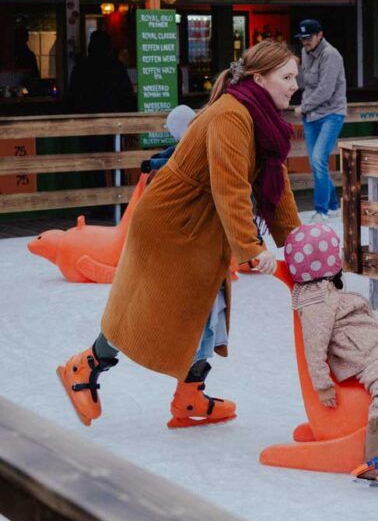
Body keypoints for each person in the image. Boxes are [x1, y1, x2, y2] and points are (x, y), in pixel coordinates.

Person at [57, 40, 301, 429]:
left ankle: (190, 398)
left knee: (208, 309)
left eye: (295, 78)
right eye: (287, 77)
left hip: (202, 223)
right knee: (152, 310)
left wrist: (297, 244)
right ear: (259, 77)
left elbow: (278, 185)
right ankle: (83, 367)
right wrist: (251, 249)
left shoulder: (261, 119)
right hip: (173, 222)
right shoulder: (231, 115)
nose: (294, 86)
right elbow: (230, 186)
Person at [285, 222, 378, 490]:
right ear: (326, 261)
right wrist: (323, 385)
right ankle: (374, 461)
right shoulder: (316, 302)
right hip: (363, 358)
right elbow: (314, 345)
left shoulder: (324, 290)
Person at [294, 19, 347, 222]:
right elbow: (303, 84)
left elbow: (325, 90)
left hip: (331, 113)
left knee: (318, 160)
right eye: (302, 38)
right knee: (317, 163)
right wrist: (294, 68)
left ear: (320, 35)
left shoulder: (331, 55)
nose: (305, 42)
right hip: (311, 116)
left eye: (308, 38)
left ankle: (321, 210)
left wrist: (302, 108)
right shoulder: (304, 54)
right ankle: (333, 205)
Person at [64, 29, 134, 113]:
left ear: (90, 46)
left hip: (85, 118)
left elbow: (72, 97)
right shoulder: (117, 67)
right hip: (112, 118)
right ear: (108, 47)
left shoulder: (80, 67)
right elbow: (127, 96)